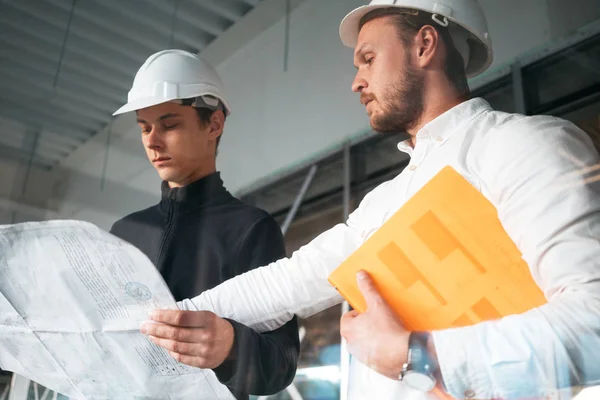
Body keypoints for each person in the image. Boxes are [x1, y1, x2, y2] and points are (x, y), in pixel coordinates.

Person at [142, 2, 600, 399]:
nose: (357, 82)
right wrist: (161, 322)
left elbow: (594, 321)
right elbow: (289, 280)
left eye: (368, 58)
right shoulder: (386, 202)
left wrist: (418, 357)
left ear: (424, 46)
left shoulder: (522, 145)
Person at [110, 49, 300, 400]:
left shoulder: (250, 229)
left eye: (169, 125)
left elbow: (282, 363)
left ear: (214, 124)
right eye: (145, 127)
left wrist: (230, 347)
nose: (152, 141)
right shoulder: (124, 232)